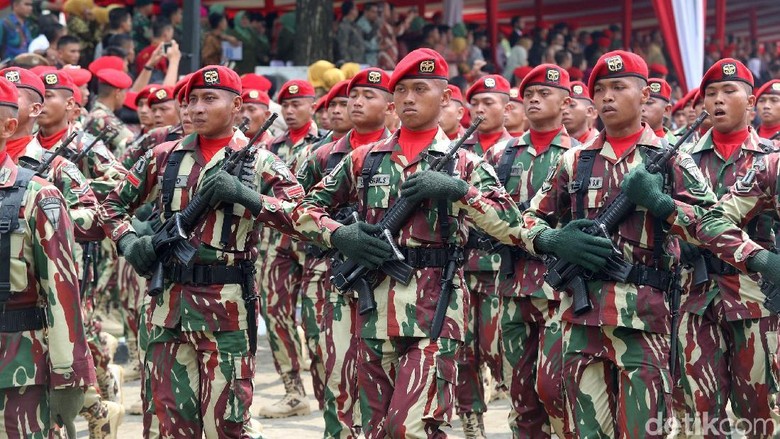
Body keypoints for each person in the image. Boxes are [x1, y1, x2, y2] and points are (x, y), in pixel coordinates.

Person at [292, 47, 523, 438]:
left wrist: (460, 191)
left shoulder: (464, 163)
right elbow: (301, 209)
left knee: (409, 428)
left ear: (447, 97)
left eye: (421, 88)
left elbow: (511, 225)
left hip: (435, 311)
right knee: (378, 429)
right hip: (373, 310)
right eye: (402, 91)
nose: (410, 98)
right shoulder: (363, 159)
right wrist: (341, 235)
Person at [99, 65, 305, 438]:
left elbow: (302, 216)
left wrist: (248, 197)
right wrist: (130, 242)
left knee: (224, 425)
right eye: (191, 100)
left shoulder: (260, 161)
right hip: (167, 309)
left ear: (238, 105)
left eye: (209, 99)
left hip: (226, 309)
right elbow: (110, 206)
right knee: (166, 423)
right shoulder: (164, 155)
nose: (195, 108)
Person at [520, 50, 716, 437]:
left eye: (618, 87)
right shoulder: (575, 161)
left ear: (645, 97)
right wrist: (553, 239)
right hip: (581, 317)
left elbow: (712, 225)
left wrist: (664, 205)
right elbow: (527, 218)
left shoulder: (671, 160)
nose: (607, 97)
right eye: (600, 90)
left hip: (645, 318)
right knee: (585, 430)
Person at [629, 58, 780, 437]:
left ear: (750, 103)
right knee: (700, 412)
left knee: (761, 411)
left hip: (755, 299)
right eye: (710, 93)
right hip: (693, 297)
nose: (718, 100)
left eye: (730, 92)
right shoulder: (678, 160)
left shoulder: (771, 160)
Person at [296, 67, 394, 438]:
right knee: (337, 370)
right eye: (353, 95)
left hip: (388, 278)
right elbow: (294, 209)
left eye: (369, 96)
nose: (356, 102)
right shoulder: (321, 156)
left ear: (390, 105)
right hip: (332, 276)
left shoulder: (401, 153)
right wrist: (334, 232)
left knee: (385, 374)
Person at [0, 74, 97, 439]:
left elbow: (61, 294)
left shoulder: (40, 195)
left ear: (9, 126)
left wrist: (69, 375)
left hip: (16, 366)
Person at [484, 64, 577, 438]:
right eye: (529, 96)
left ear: (565, 102)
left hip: (560, 290)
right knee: (521, 397)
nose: (535, 100)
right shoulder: (500, 154)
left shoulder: (581, 155)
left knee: (555, 389)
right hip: (511, 284)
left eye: (544, 94)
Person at [257, 78, 322, 419]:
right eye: (286, 105)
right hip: (275, 243)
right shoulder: (270, 147)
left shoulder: (326, 144)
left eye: (298, 104)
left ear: (314, 105)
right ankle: (293, 391)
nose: (291, 110)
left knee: (316, 321)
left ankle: (329, 390)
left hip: (312, 244)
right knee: (277, 313)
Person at [457, 73, 515, 438]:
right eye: (474, 103)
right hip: (463, 267)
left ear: (507, 109)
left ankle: (516, 420)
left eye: (488, 103)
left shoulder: (518, 151)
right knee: (464, 353)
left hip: (501, 270)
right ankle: (472, 425)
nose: (480, 109)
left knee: (503, 353)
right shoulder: (459, 152)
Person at [88, 67, 135, 157]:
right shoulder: (105, 119)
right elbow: (134, 145)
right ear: (117, 93)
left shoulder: (94, 112)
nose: (125, 96)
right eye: (125, 92)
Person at [641, 78, 677, 142]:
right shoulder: (627, 142)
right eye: (640, 103)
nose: (642, 108)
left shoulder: (677, 147)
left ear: (666, 110)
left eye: (649, 103)